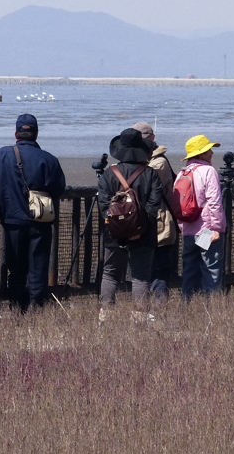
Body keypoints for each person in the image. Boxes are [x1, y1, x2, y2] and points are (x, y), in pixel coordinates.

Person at [0, 114, 66, 311]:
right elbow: (59, 187)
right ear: (36, 134)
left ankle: (18, 308)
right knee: (39, 266)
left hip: (13, 219)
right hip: (41, 219)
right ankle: (37, 308)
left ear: (16, 134)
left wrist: (3, 190)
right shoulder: (48, 159)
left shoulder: (1, 155)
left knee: (16, 268)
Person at [97, 128, 163, 315]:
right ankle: (140, 317)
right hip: (144, 233)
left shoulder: (109, 174)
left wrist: (116, 224)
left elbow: (103, 206)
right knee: (140, 277)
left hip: (113, 233)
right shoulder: (150, 174)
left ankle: (105, 315)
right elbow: (154, 203)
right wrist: (140, 225)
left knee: (110, 274)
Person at [178, 134, 226, 299]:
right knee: (211, 269)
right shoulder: (208, 171)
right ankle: (211, 306)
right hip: (206, 230)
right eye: (208, 150)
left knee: (189, 269)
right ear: (201, 153)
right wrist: (216, 228)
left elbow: (177, 203)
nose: (211, 152)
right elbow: (214, 202)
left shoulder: (182, 172)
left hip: (188, 229)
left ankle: (187, 305)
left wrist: (182, 227)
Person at [133, 122, 177, 303]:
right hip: (142, 221)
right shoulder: (144, 161)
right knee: (147, 267)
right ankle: (149, 303)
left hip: (159, 221)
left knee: (159, 266)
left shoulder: (158, 163)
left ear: (152, 138)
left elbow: (153, 190)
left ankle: (158, 304)